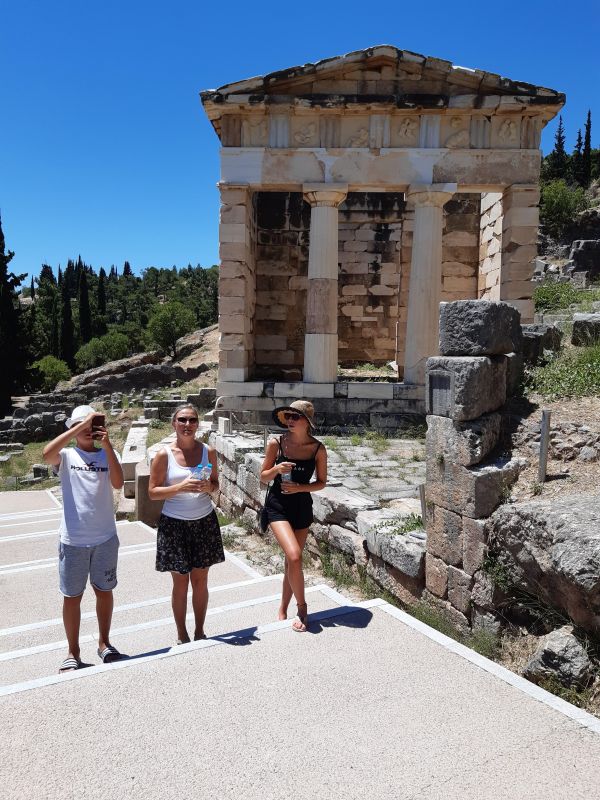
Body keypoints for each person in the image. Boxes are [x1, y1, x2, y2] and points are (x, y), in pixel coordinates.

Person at [43, 404, 124, 673]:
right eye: (83, 426)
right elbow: (47, 454)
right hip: (73, 539)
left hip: (105, 537)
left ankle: (104, 643)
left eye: (92, 425)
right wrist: (78, 427)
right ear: (74, 428)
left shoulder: (107, 454)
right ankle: (73, 651)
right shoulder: (66, 456)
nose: (88, 430)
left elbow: (118, 483)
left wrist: (107, 444)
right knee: (72, 597)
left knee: (104, 591)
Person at [148, 404, 224, 645]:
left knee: (201, 581)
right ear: (174, 423)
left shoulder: (208, 452)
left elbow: (216, 485)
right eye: (182, 420)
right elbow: (152, 492)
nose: (187, 424)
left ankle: (200, 630)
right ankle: (182, 633)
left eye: (192, 420)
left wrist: (209, 487)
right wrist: (180, 488)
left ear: (198, 424)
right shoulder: (164, 455)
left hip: (204, 521)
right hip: (174, 524)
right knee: (180, 583)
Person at [260, 400, 327, 632]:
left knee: (291, 561)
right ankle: (302, 608)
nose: (289, 420)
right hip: (277, 505)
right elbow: (263, 477)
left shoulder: (318, 448)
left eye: (295, 417)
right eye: (287, 416)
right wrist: (276, 469)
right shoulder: (276, 443)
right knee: (295, 556)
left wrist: (300, 488)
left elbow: (321, 482)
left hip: (301, 506)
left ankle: (282, 607)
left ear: (306, 422)